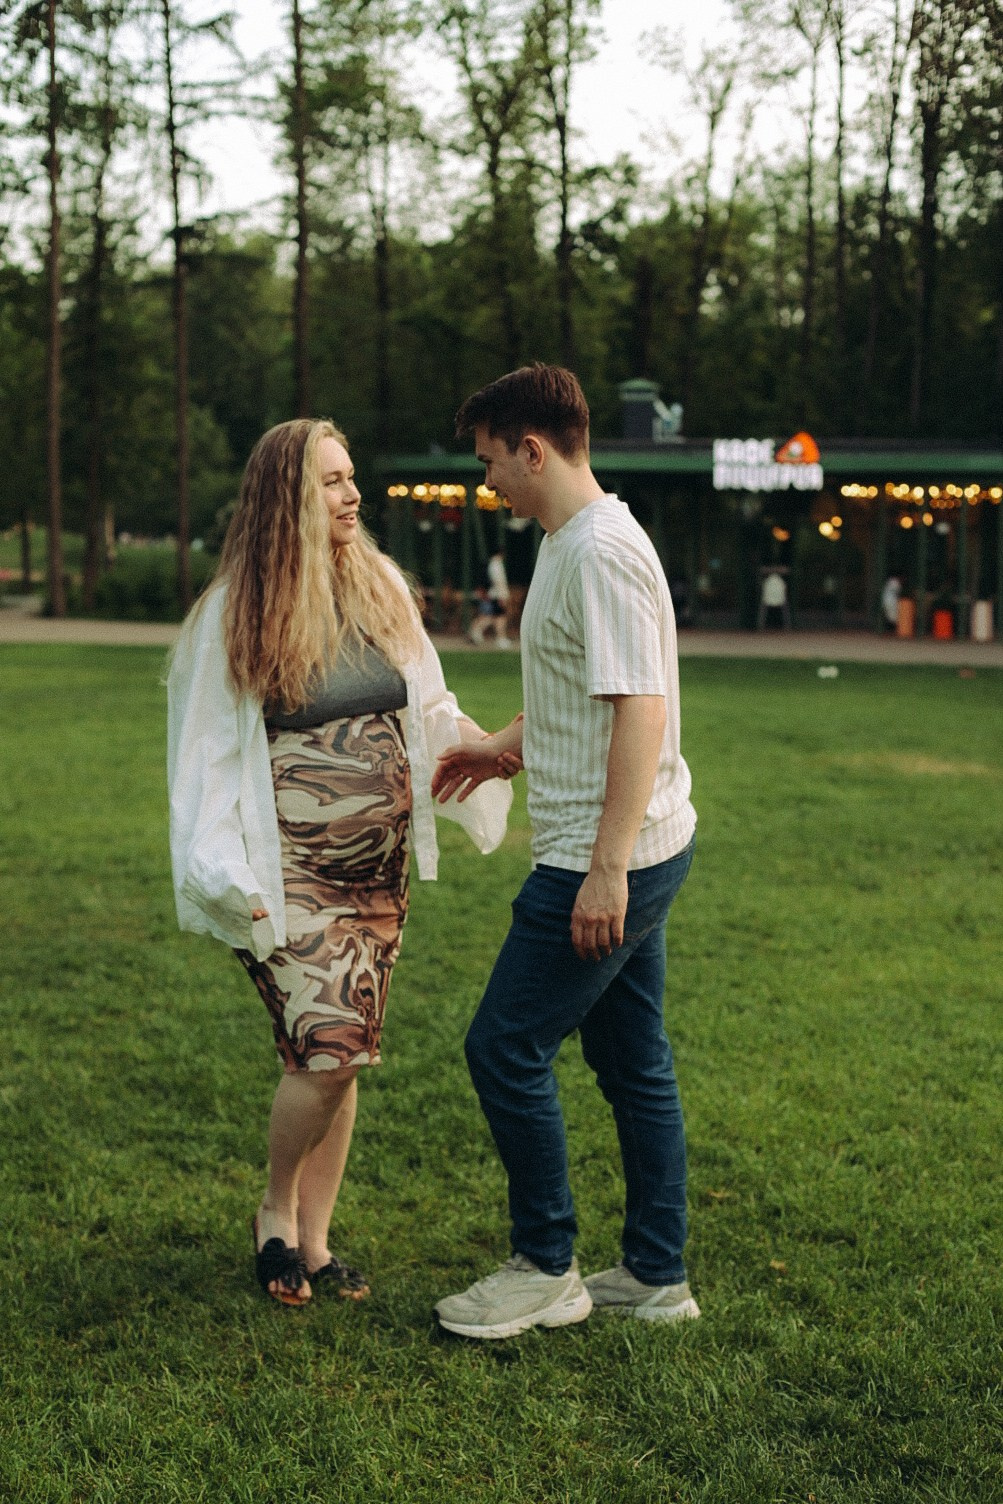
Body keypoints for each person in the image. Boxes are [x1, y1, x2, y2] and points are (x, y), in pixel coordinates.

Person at [167, 418, 511, 1307]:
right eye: (330, 481)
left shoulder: (378, 587)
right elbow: (203, 751)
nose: (352, 494)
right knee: (326, 1049)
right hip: (291, 879)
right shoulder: (232, 613)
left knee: (346, 1053)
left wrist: (480, 751)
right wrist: (219, 872)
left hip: (377, 877)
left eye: (352, 477)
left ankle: (315, 1242)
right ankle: (275, 1213)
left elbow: (428, 705)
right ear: (287, 498)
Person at [430, 364, 699, 1340]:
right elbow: (571, 691)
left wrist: (605, 867)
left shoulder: (601, 553)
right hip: (632, 843)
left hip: (607, 853)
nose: (486, 480)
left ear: (531, 448)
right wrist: (500, 750)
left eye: (490, 460)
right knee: (632, 1062)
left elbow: (639, 711)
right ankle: (657, 1274)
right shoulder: (564, 544)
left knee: (502, 1046)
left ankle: (546, 1263)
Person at [469, 548, 511, 648]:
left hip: (493, 595)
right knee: (497, 617)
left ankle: (477, 632)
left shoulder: (492, 564)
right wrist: (502, 596)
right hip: (497, 595)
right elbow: (499, 582)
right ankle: (499, 638)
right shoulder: (496, 565)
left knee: (495, 617)